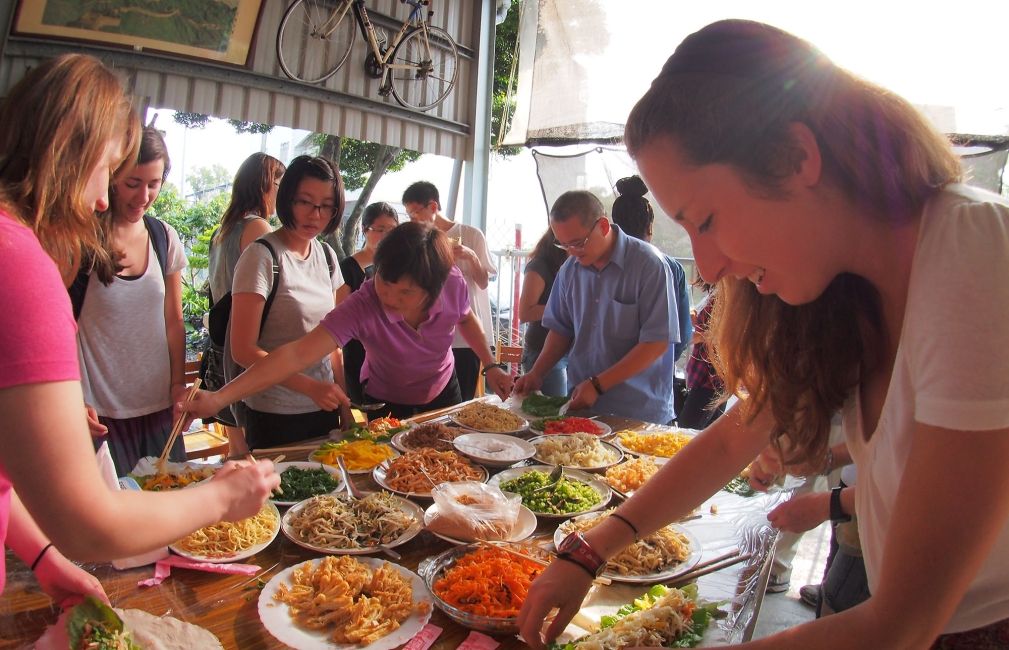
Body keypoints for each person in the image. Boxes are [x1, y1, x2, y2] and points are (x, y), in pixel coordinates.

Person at [518, 19, 1009, 649]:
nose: (710, 265)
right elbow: (732, 441)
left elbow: (901, 625)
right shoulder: (845, 291)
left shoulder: (975, 252)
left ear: (797, 158)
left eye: (709, 220)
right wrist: (588, 552)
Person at [0, 54, 277, 606]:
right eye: (107, 170)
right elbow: (89, 522)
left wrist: (43, 559)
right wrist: (222, 496)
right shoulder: (20, 262)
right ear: (66, 155)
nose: (104, 199)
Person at [184, 222, 514, 423]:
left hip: (443, 390)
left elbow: (467, 320)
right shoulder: (364, 303)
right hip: (386, 402)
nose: (388, 296)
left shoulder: (453, 281)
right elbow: (296, 355)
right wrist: (217, 399)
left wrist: (491, 365)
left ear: (434, 287)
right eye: (384, 280)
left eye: (405, 292)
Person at [75, 126, 188, 476]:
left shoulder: (163, 236)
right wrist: (73, 398)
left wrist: (177, 386)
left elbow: (174, 321)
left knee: (172, 510)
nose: (144, 196)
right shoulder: (81, 239)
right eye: (133, 183)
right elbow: (61, 324)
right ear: (111, 177)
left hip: (159, 410)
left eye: (153, 183)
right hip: (102, 413)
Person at [513, 190, 678, 424]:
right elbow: (560, 330)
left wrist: (598, 384)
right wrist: (537, 373)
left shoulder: (649, 265)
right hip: (582, 407)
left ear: (602, 226)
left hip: (638, 413)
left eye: (578, 243)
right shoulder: (570, 270)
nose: (572, 252)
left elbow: (656, 343)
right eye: (564, 245)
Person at [229, 155, 353, 450]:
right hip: (274, 412)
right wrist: (310, 387)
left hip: (324, 408)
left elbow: (331, 343)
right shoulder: (262, 256)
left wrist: (344, 403)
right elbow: (243, 350)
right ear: (287, 199)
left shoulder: (326, 256)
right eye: (305, 202)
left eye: (326, 206)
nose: (315, 215)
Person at [206, 152, 286, 456]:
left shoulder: (222, 230)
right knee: (257, 451)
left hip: (220, 347)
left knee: (236, 446)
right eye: (280, 183)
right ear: (265, 185)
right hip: (248, 348)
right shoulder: (259, 229)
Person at [403, 181, 496, 401]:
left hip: (467, 335)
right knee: (432, 399)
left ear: (433, 207)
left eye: (416, 212)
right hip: (432, 333)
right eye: (409, 214)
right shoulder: (420, 240)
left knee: (462, 400)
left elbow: (483, 282)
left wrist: (471, 256)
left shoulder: (470, 234)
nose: (413, 219)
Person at [610, 174, 692, 362]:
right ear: (649, 226)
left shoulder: (593, 264)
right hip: (654, 380)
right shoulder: (671, 267)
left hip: (596, 379)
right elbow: (683, 334)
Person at [335, 202, 399, 404]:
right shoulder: (349, 266)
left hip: (392, 352)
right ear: (365, 230)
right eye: (380, 230)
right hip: (359, 352)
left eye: (392, 230)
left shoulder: (400, 266)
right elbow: (339, 312)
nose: (387, 236)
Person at [517, 230, 568, 397]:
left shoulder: (574, 265)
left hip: (568, 351)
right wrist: (566, 307)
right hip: (542, 350)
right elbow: (525, 312)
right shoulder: (539, 266)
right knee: (552, 414)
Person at [677, 283, 725, 429]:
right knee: (706, 432)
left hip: (711, 377)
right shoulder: (718, 292)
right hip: (711, 375)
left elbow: (725, 333)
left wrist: (688, 336)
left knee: (686, 430)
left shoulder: (725, 295)